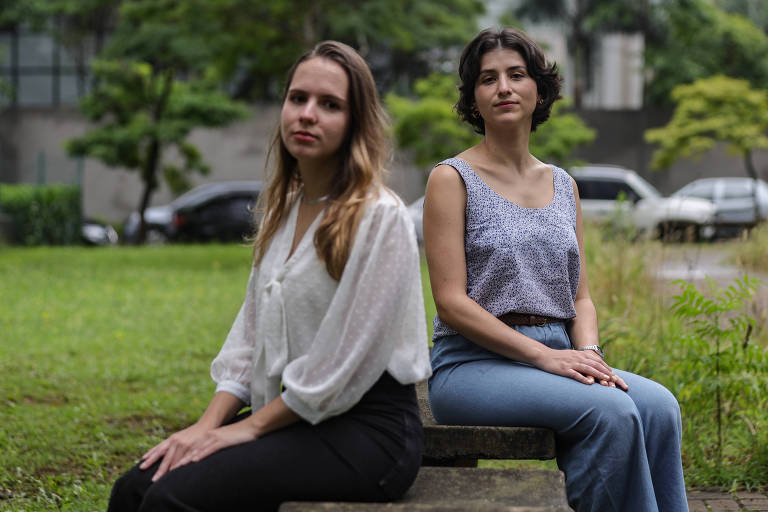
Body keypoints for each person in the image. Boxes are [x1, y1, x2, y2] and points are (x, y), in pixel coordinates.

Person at [108, 41, 432, 512]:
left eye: (329, 105)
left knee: (171, 499)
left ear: (355, 121)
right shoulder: (285, 210)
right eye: (297, 98)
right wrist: (207, 424)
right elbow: (250, 334)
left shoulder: (381, 217)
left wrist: (245, 429)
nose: (307, 114)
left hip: (368, 433)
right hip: (300, 415)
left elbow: (344, 365)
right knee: (135, 487)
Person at [423, 28, 688, 512]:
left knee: (659, 408)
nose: (503, 87)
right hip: (472, 364)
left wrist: (589, 353)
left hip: (561, 355)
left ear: (538, 91)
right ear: (474, 99)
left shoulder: (563, 184)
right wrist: (543, 358)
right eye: (487, 79)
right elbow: (451, 302)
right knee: (610, 414)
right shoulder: (450, 178)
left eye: (516, 74)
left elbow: (580, 296)